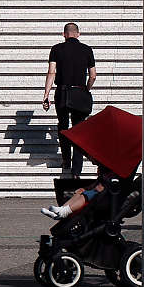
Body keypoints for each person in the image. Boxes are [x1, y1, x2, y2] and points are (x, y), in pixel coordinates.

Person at [43, 23, 96, 178]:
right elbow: (93, 75)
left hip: (62, 92)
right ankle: (76, 171)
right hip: (79, 92)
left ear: (64, 34)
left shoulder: (56, 49)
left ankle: (66, 160)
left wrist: (46, 94)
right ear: (78, 34)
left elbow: (51, 72)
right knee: (79, 130)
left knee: (63, 126)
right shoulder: (87, 49)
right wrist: (86, 88)